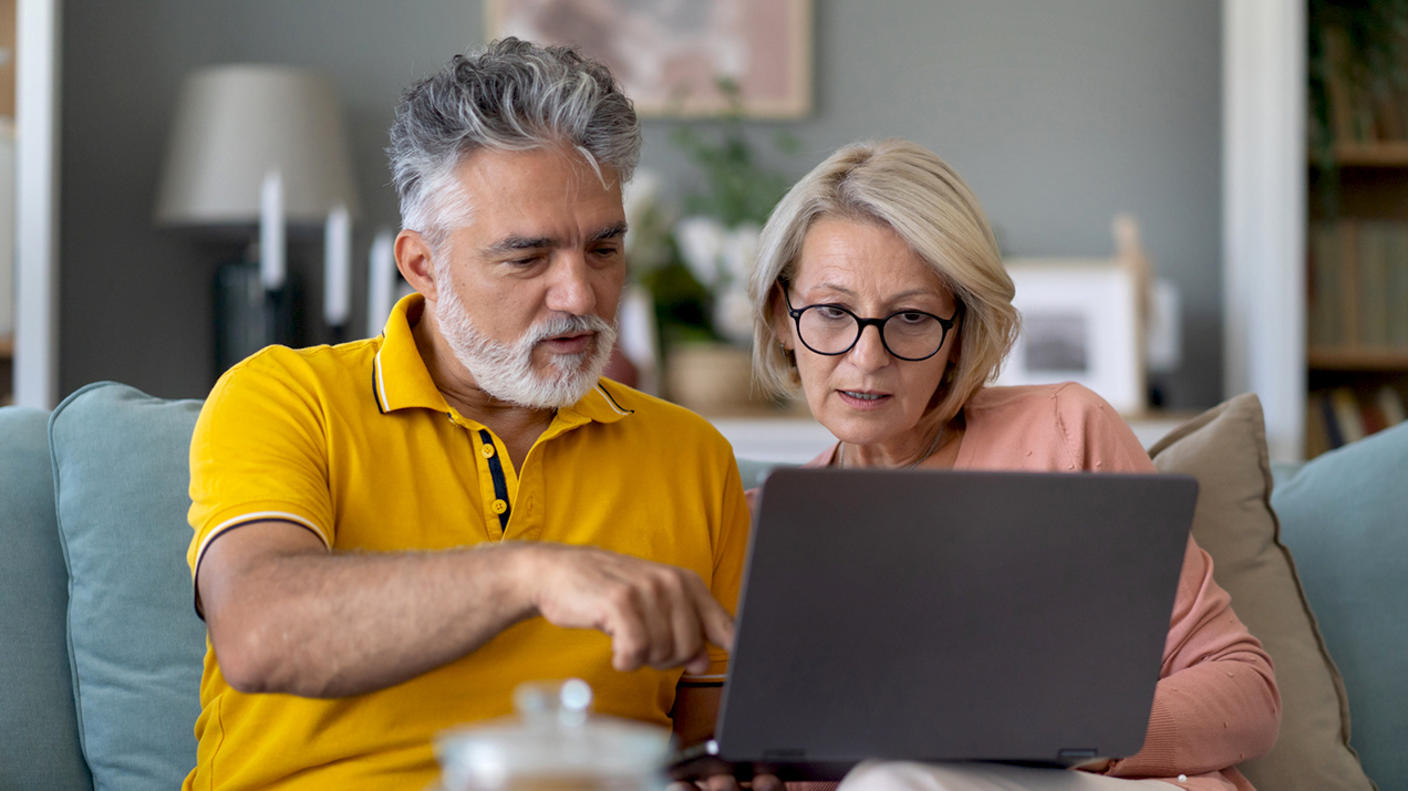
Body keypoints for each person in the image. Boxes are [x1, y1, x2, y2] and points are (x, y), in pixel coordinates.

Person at [183, 39, 750, 789]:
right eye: (527, 258)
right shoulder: (285, 397)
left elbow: (710, 737)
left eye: (604, 248)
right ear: (422, 265)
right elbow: (260, 633)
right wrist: (528, 575)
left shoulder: (689, 452)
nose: (579, 294)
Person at [742, 139, 1281, 791]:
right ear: (780, 313)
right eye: (832, 312)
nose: (866, 357)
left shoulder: (1064, 431)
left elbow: (1249, 690)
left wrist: (1072, 736)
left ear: (961, 330)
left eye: (910, 317)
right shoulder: (767, 524)